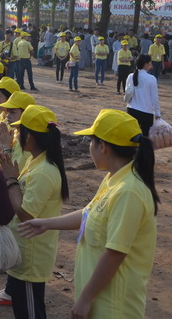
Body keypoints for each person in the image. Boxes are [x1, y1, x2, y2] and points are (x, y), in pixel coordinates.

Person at [19, 109, 158, 319]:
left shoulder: (128, 191)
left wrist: (86, 298)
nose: (89, 147)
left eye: (91, 141)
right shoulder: (114, 179)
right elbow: (89, 213)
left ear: (103, 147)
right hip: (100, 300)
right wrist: (47, 223)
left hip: (114, 307)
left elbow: (115, 252)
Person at [0, 105, 69, 318]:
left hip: (31, 255)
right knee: (23, 307)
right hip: (23, 249)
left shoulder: (44, 171)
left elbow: (27, 214)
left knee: (30, 312)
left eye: (20, 131)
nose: (16, 135)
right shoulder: (36, 161)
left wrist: (11, 179)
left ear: (29, 137)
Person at [125, 54, 160, 136]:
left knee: (132, 136)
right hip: (146, 112)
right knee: (146, 138)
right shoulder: (151, 79)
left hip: (131, 110)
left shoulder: (130, 76)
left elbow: (127, 93)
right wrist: (157, 113)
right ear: (146, 64)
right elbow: (154, 98)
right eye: (150, 62)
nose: (151, 64)